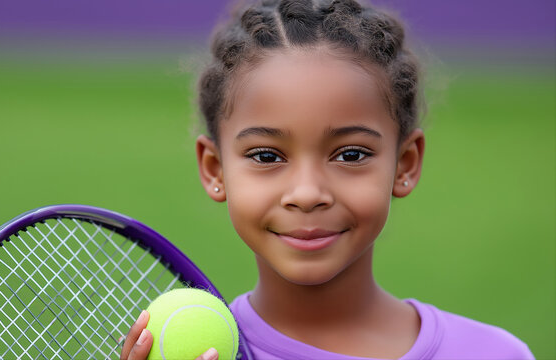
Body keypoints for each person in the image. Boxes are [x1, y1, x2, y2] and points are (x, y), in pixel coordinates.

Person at [121, 0, 535, 359]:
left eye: (350, 154)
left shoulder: (496, 354)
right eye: (267, 156)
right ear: (215, 169)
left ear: (405, 164)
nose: (307, 194)